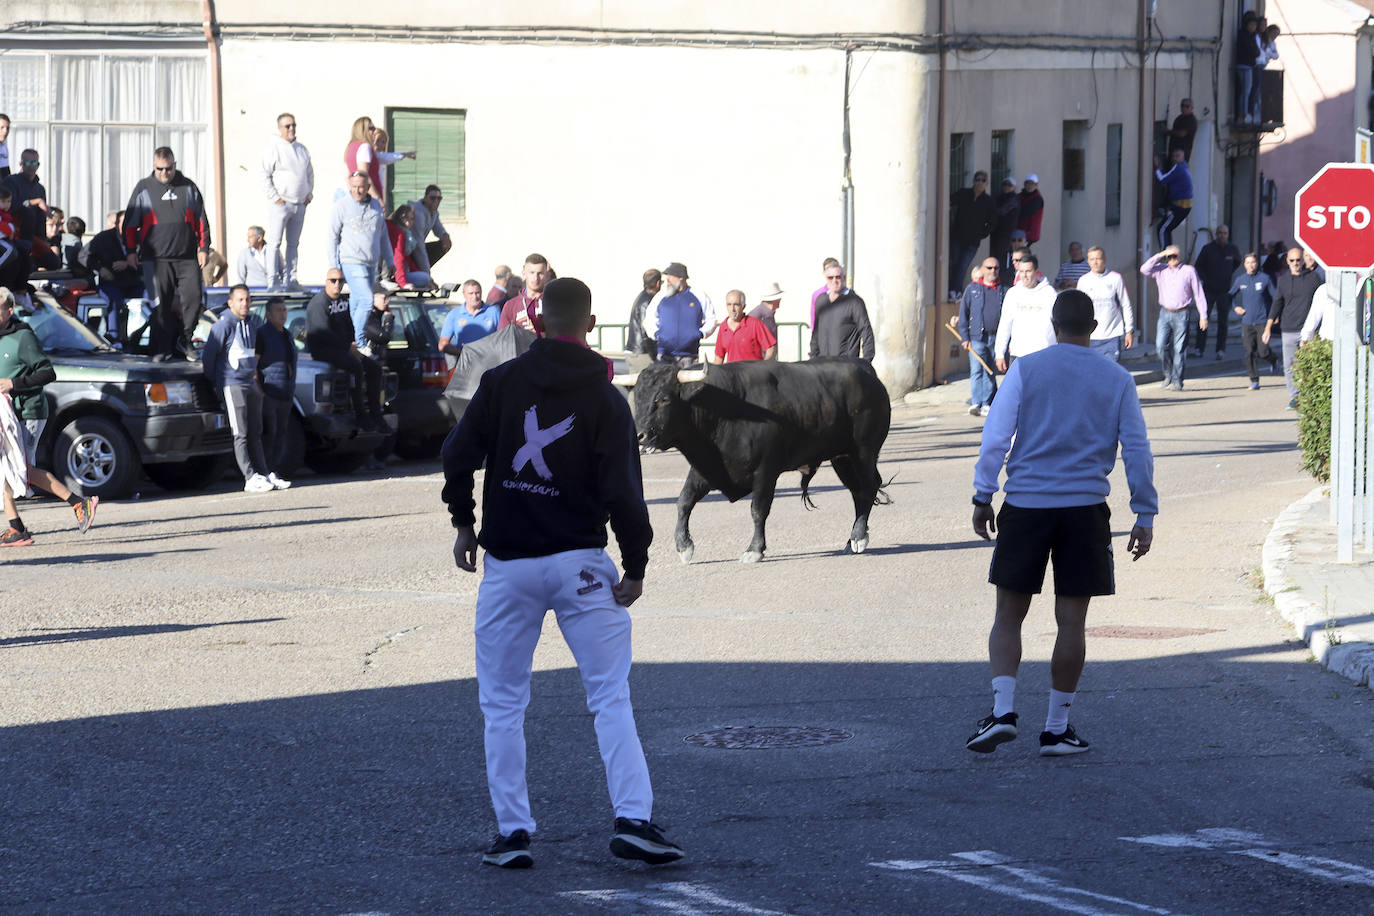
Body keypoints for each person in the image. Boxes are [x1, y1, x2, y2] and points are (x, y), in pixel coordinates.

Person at [442, 275, 682, 869]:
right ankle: (633, 820)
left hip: (509, 565)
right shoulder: (604, 399)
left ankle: (512, 834)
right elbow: (625, 492)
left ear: (538, 321)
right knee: (610, 698)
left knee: (502, 703)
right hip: (580, 563)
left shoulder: (501, 382)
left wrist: (464, 522)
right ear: (590, 323)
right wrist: (636, 564)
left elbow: (456, 454)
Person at [967, 289, 1156, 758]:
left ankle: (1003, 712)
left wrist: (982, 494)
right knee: (1072, 623)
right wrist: (1144, 512)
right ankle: (1056, 728)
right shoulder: (1117, 379)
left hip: (1027, 506)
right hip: (1085, 511)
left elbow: (996, 436)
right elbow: (1136, 450)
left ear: (1053, 324)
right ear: (1093, 328)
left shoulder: (1027, 370)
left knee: (1008, 616)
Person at [0, 287, 99, 547]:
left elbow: (47, 373)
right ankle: (16, 528)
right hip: (5, 414)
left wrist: (13, 383)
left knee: (20, 468)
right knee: (7, 467)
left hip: (28, 412)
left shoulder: (22, 337)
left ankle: (80, 503)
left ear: (9, 311)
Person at [123, 147, 211, 359]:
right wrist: (131, 251)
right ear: (154, 166)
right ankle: (162, 348)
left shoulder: (188, 187)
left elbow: (201, 219)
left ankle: (186, 339)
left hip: (186, 256)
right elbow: (130, 223)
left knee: (193, 299)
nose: (164, 173)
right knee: (161, 304)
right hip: (156, 258)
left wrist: (204, 247)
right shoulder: (144, 188)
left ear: (175, 165)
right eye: (159, 169)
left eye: (168, 169)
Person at [202, 285, 274, 493]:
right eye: (240, 300)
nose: (245, 304)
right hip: (232, 384)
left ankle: (264, 473)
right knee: (240, 433)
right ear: (230, 302)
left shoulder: (251, 324)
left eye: (247, 300)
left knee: (255, 431)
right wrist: (217, 383)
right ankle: (249, 477)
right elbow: (209, 358)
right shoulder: (223, 325)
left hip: (249, 383)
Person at [306, 268, 386, 433]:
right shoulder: (318, 303)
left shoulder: (343, 300)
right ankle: (360, 414)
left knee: (375, 368)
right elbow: (323, 333)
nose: (337, 284)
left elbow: (349, 325)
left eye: (341, 281)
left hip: (344, 349)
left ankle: (376, 413)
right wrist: (348, 348)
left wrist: (353, 345)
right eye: (333, 280)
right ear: (326, 282)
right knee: (356, 367)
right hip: (324, 350)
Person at [327, 171, 387, 349]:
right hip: (351, 261)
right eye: (354, 187)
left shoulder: (375, 206)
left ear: (368, 187)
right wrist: (333, 266)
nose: (357, 190)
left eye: (361, 187)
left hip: (371, 263)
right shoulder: (342, 206)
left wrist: (389, 261)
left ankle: (352, 341)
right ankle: (360, 343)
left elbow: (383, 237)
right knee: (368, 300)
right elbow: (332, 237)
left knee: (357, 301)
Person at [257, 112, 314, 290]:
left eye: (293, 125)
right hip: (281, 204)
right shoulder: (273, 148)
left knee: (293, 244)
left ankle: (292, 280)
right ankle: (272, 281)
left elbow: (309, 174)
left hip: (299, 204)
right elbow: (264, 175)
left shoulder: (302, 149)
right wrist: (276, 198)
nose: (291, 129)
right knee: (274, 243)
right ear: (280, 128)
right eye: (287, 126)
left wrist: (309, 195)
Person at [1141, 245, 1208, 391]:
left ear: (1180, 256)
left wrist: (1203, 315)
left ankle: (1178, 379)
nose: (1172, 259)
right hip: (1165, 313)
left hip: (1182, 313)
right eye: (1169, 256)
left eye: (1174, 256)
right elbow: (1144, 269)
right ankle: (1168, 373)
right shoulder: (1161, 270)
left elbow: (1198, 293)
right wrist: (1161, 254)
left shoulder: (1189, 271)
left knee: (1179, 348)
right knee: (1160, 346)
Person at [1264, 247, 1323, 409]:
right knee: (1289, 366)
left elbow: (1322, 303)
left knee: (1310, 364)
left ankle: (1309, 395)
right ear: (1287, 262)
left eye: (1298, 260)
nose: (1295, 263)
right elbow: (1277, 303)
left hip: (1309, 330)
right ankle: (1294, 397)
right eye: (1292, 261)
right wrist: (1268, 327)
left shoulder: (1314, 278)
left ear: (1302, 260)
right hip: (1288, 329)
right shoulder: (1283, 281)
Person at [80, 210, 145, 343]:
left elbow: (151, 262)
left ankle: (145, 337)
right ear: (116, 224)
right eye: (124, 223)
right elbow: (83, 256)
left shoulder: (139, 238)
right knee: (114, 300)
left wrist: (128, 264)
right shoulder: (104, 238)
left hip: (133, 282)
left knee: (152, 299)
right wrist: (100, 269)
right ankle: (114, 337)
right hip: (111, 282)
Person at [255, 295, 296, 488]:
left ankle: (273, 471)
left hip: (285, 393)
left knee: (281, 433)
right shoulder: (262, 334)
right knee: (268, 433)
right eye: (278, 310)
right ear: (269, 314)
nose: (283, 314)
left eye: (284, 310)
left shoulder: (287, 335)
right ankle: (262, 472)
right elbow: (254, 365)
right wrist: (260, 391)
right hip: (269, 392)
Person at [994, 254, 1056, 374]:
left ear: (1036, 272)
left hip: (1044, 354)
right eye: (1021, 271)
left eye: (1028, 271)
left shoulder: (1049, 293)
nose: (1024, 275)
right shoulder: (1013, 294)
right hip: (1019, 354)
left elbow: (1058, 324)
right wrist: (999, 353)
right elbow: (1005, 325)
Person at [650, 262, 715, 368]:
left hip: (690, 357)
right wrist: (657, 334)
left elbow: (711, 319)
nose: (667, 279)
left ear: (681, 278)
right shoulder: (660, 297)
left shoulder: (699, 295)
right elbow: (649, 319)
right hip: (664, 356)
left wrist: (700, 334)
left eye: (671, 275)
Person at [1076, 246, 1134, 362]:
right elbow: (1079, 309)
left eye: (1098, 258)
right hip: (1091, 336)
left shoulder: (1115, 278)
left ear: (1105, 260)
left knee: (1110, 373)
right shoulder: (1083, 281)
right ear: (1088, 261)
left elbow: (1125, 304)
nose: (1095, 262)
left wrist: (1129, 330)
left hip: (1111, 335)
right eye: (1092, 259)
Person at [1229, 252, 1278, 390]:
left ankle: (1273, 359)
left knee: (1263, 352)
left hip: (1262, 321)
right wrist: (1236, 307)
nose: (1251, 265)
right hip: (1247, 322)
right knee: (1249, 351)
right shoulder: (1240, 280)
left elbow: (1275, 297)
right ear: (1244, 265)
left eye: (1253, 262)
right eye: (1248, 263)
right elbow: (1230, 295)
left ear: (1257, 263)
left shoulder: (1265, 278)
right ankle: (1254, 380)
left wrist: (1274, 315)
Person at [809, 260, 874, 361]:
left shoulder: (854, 301)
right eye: (830, 277)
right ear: (826, 279)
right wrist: (813, 358)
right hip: (823, 365)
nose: (834, 280)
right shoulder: (821, 300)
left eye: (838, 277)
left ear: (843, 278)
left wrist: (867, 361)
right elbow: (816, 334)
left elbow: (866, 331)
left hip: (845, 366)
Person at [1193, 224, 1242, 358]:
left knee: (1223, 322)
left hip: (1225, 291)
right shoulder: (1208, 249)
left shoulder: (1233, 249)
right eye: (1220, 233)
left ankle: (1220, 350)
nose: (1222, 235)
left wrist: (1228, 274)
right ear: (1216, 234)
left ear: (1228, 235)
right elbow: (1198, 266)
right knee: (1203, 319)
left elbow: (1238, 262)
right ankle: (1199, 349)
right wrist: (1206, 280)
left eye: (1225, 233)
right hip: (1208, 290)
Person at [949, 170, 994, 298]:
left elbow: (992, 222)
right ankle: (954, 290)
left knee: (963, 266)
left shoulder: (988, 201)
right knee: (955, 264)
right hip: (957, 237)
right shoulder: (964, 193)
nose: (980, 182)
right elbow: (949, 201)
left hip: (973, 242)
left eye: (983, 180)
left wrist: (981, 234)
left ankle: (955, 291)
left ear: (987, 183)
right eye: (977, 179)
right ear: (973, 181)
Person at [438, 279, 499, 363]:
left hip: (490, 363)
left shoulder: (493, 311)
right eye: (471, 293)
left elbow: (503, 338)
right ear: (464, 295)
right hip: (466, 365)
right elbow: (442, 344)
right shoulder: (454, 314)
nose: (474, 297)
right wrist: (463, 353)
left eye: (477, 293)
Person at [712, 290, 776, 363]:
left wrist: (764, 367)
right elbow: (719, 358)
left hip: (752, 373)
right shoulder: (723, 327)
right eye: (729, 304)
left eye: (736, 305)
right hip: (732, 373)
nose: (732, 309)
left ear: (743, 306)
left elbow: (771, 348)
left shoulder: (754, 324)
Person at [407, 185, 452, 278]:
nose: (436, 201)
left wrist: (445, 236)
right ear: (425, 198)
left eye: (439, 198)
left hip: (414, 248)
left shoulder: (434, 212)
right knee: (421, 251)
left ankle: (421, 272)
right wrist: (427, 275)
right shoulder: (418, 213)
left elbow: (438, 229)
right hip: (406, 252)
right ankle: (421, 273)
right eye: (432, 198)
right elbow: (419, 246)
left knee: (444, 244)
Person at [499, 253, 551, 331]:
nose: (535, 278)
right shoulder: (510, 305)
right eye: (532, 272)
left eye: (540, 273)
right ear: (524, 274)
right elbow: (503, 338)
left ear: (547, 276)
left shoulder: (554, 303)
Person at [385, 204, 430, 289]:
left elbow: (406, 259)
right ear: (401, 217)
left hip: (388, 272)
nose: (410, 222)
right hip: (390, 274)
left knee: (424, 276)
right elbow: (398, 257)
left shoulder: (391, 227)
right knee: (425, 278)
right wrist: (403, 283)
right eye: (408, 218)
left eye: (412, 219)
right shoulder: (399, 232)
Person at [1155, 150, 1193, 249]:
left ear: (1182, 158)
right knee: (1167, 228)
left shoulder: (1178, 168)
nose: (1175, 158)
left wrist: (1157, 169)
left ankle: (1165, 256)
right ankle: (1171, 255)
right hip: (1185, 206)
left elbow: (1163, 180)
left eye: (1178, 156)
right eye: (1173, 156)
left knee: (1162, 229)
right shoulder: (1184, 167)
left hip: (1179, 207)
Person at [343, 116, 384, 206]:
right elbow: (363, 176)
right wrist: (378, 199)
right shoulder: (365, 147)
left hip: (356, 196)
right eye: (371, 128)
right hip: (368, 199)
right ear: (363, 130)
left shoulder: (351, 147)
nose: (374, 132)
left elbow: (347, 175)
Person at [624, 268, 661, 358]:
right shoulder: (647, 301)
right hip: (642, 352)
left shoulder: (643, 297)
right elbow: (645, 327)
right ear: (658, 283)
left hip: (637, 349)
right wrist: (653, 353)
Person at [1236, 13, 1263, 124]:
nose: (1253, 27)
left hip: (1249, 66)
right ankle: (1243, 114)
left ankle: (1245, 113)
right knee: (1246, 91)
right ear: (1247, 25)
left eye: (1254, 25)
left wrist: (1254, 51)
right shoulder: (1244, 35)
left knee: (1247, 91)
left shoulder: (1252, 36)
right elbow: (1251, 51)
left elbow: (1257, 51)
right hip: (1245, 66)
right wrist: (1254, 51)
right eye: (1251, 25)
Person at [989, 177, 1021, 270]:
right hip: (996, 232)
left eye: (1009, 185)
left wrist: (990, 210)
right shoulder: (1000, 197)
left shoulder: (1013, 199)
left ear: (1014, 187)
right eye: (1005, 184)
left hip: (1006, 234)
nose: (1006, 187)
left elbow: (1002, 211)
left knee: (1002, 257)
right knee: (994, 255)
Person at [1300, 280, 1336, 345]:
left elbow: (1314, 315)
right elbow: (1314, 315)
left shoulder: (1324, 289)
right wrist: (1306, 335)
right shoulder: (1324, 289)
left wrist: (1306, 337)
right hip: (1329, 340)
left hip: (1329, 339)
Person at [810, 256, 841, 327]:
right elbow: (814, 318)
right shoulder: (817, 294)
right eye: (828, 269)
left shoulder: (847, 294)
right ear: (824, 273)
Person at [1017, 174, 1044, 245]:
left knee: (1021, 253)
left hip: (1029, 234)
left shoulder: (1037, 199)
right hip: (1020, 232)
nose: (1029, 186)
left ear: (1036, 185)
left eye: (1031, 183)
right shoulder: (1020, 196)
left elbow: (1024, 213)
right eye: (1027, 183)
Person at [0, 114, 9, 179]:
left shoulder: (3, 146)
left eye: (7, 128)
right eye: (2, 127)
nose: (5, 131)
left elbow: (5, 171)